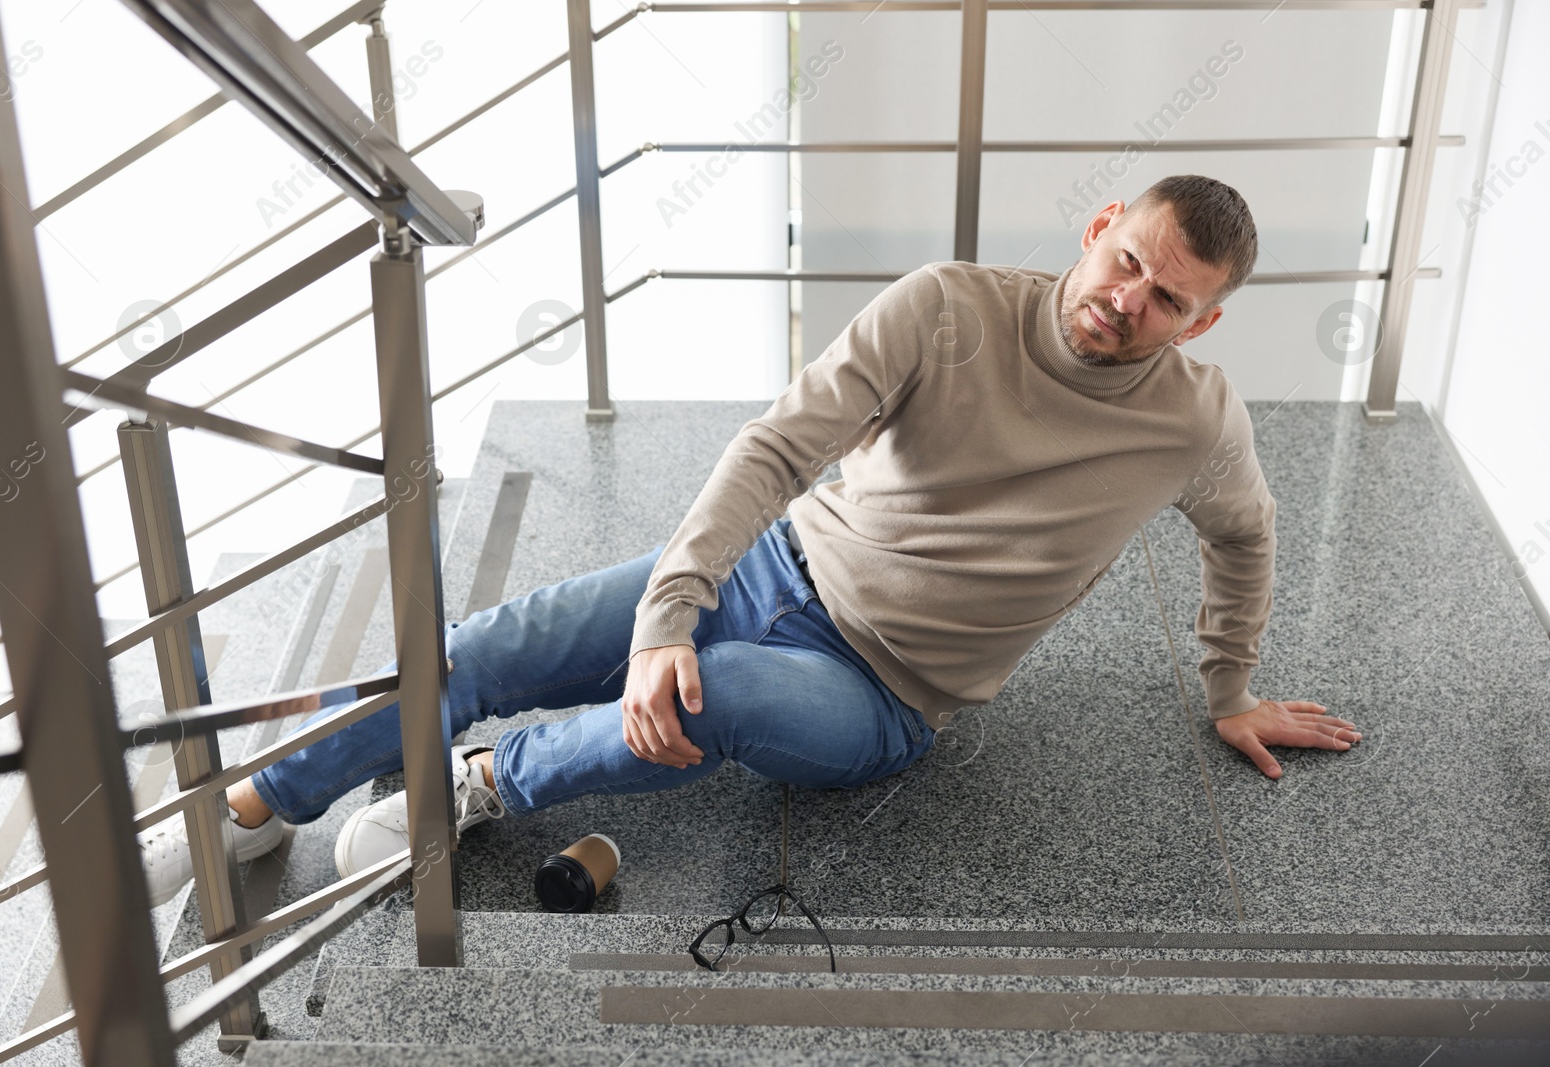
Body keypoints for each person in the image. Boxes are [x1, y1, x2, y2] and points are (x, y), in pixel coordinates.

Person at [137, 174, 1363, 905]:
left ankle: (471, 787)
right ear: (1100, 225)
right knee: (502, 641)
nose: (1126, 300)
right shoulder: (945, 307)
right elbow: (775, 449)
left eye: (1165, 299)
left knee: (708, 695)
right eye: (1125, 261)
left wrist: (1229, 685)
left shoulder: (1192, 422)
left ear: (1204, 319)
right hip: (777, 566)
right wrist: (672, 607)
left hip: (881, 691)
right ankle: (250, 803)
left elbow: (1245, 538)